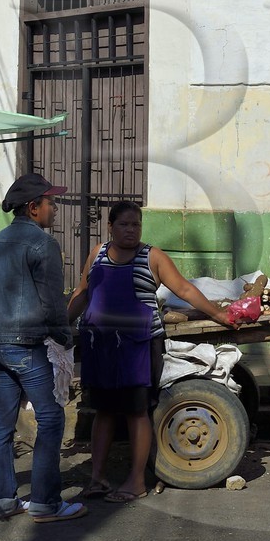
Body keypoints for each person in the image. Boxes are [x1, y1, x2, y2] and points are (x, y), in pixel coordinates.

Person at [68, 201, 235, 503]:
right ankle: (97, 479)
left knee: (136, 411)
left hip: (138, 347)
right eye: (124, 225)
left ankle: (135, 481)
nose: (131, 230)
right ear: (110, 226)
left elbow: (183, 290)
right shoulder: (97, 254)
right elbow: (82, 293)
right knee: (103, 412)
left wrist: (218, 314)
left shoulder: (153, 257)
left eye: (136, 225)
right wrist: (60, 324)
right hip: (102, 346)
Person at [0, 173, 86, 522]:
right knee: (51, 417)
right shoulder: (42, 243)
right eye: (50, 202)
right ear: (33, 207)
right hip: (24, 344)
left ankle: (1, 502)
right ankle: (45, 502)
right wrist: (65, 337)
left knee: (1, 424)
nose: (55, 208)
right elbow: (53, 301)